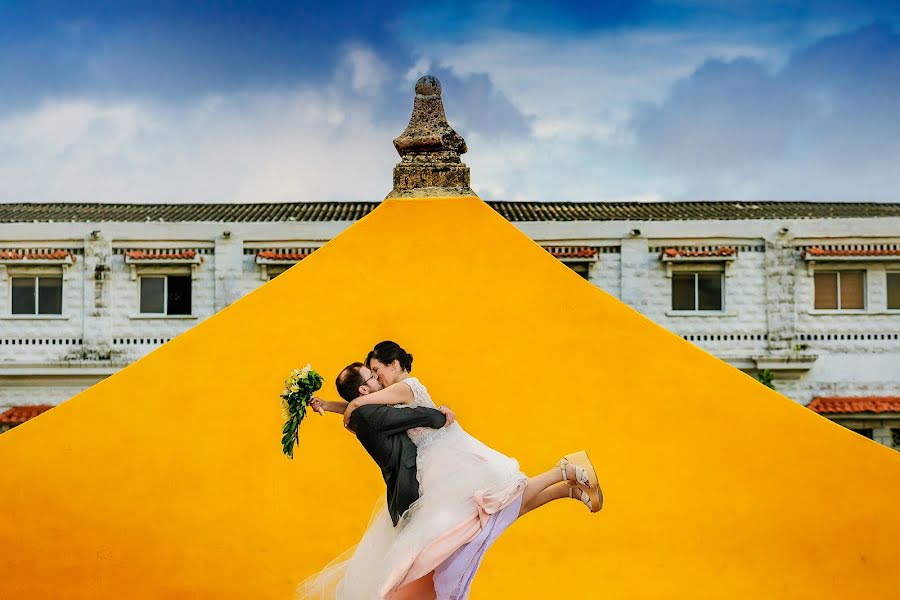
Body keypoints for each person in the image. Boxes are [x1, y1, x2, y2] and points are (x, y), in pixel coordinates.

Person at [299, 341, 602, 600]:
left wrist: (350, 407)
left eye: (379, 371)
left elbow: (366, 404)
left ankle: (564, 472)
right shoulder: (389, 393)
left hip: (448, 454)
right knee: (489, 517)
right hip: (436, 460)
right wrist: (334, 405)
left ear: (394, 365)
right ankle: (567, 486)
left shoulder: (406, 386)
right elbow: (370, 406)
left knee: (494, 507)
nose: (378, 378)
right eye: (373, 375)